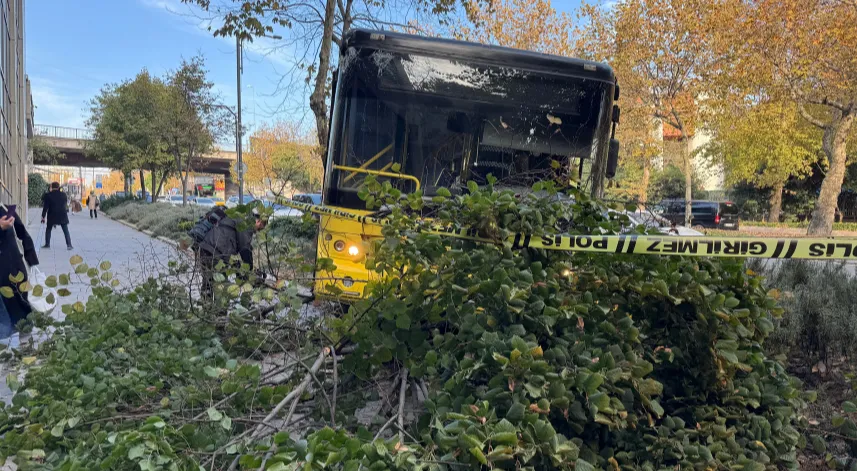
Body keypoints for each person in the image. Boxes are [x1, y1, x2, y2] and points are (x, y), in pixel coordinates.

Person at [196, 211, 266, 299]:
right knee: (221, 286)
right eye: (259, 228)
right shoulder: (246, 224)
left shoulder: (235, 218)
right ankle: (220, 311)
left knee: (207, 282)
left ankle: (206, 307)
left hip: (204, 248)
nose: (256, 232)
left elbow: (231, 242)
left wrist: (238, 267)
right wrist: (249, 271)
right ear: (258, 221)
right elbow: (245, 249)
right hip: (217, 253)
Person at [0, 203, 39, 342]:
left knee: (22, 308)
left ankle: (25, 347)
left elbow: (22, 233)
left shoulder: (4, 209)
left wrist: (32, 261)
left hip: (14, 269)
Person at [41, 182, 73, 250]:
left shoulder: (48, 195)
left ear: (51, 187)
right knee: (65, 230)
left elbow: (45, 207)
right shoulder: (63, 195)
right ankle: (69, 245)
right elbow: (65, 204)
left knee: (48, 229)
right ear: (58, 187)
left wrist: (43, 216)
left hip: (52, 215)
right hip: (62, 214)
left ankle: (47, 244)